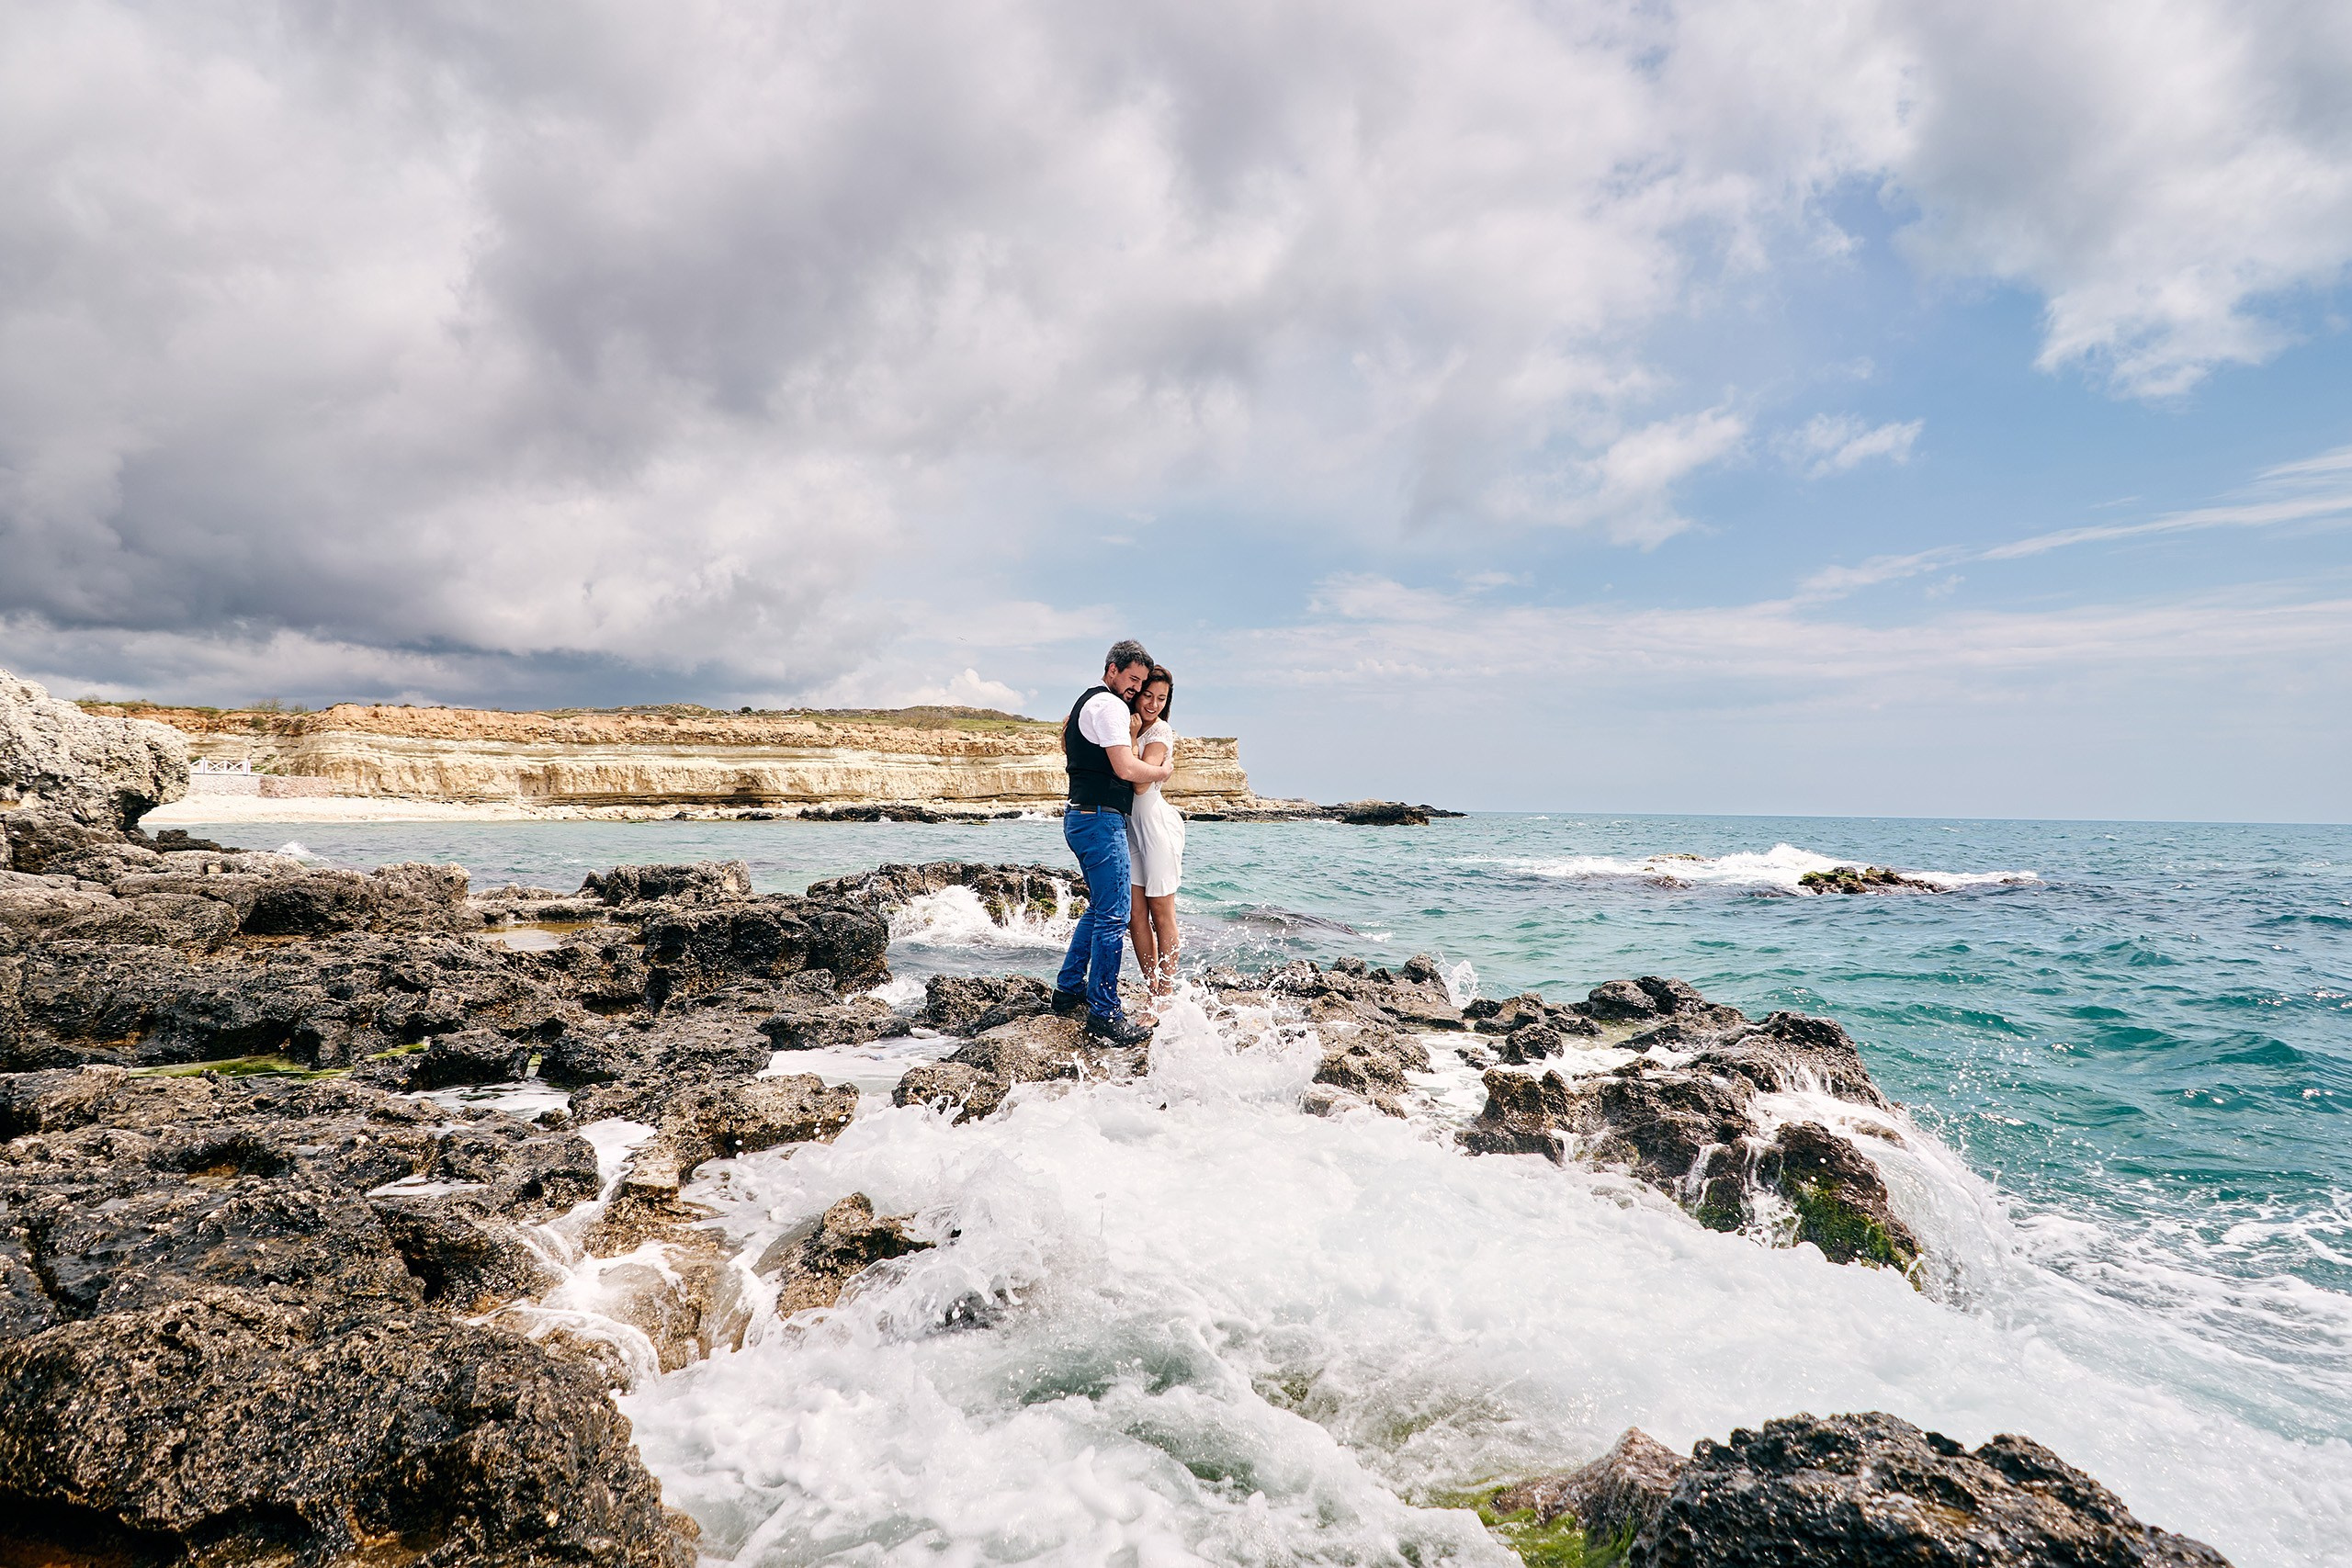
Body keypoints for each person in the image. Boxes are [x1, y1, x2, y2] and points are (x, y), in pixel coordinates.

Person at [1051, 639, 1172, 1045]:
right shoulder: (1110, 706)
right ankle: (1104, 1012)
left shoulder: (1089, 703)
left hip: (1083, 816)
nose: (1136, 690)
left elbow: (1072, 746)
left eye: (1142, 683)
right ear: (1112, 670)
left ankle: (1068, 990)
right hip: (1100, 820)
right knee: (1115, 916)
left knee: (1099, 908)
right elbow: (1125, 767)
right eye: (1133, 680)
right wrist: (1164, 771)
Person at [1125, 665, 1184, 1000]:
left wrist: (1134, 740)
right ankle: (1152, 988)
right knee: (1136, 916)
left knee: (1162, 913)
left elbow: (1140, 784)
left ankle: (1164, 995)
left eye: (1162, 698)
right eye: (1148, 695)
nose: (1154, 704)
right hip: (1131, 830)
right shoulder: (1125, 721)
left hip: (1157, 830)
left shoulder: (1160, 733)